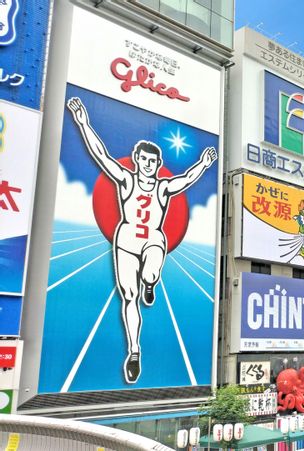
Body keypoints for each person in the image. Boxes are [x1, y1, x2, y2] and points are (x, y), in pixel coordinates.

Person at [66, 97, 217, 383]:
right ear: (137, 160)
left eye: (152, 161)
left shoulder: (162, 187)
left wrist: (204, 164)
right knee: (129, 296)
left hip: (152, 240)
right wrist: (83, 122)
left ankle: (151, 282)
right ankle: (134, 351)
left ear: (158, 164)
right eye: (144, 160)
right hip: (125, 240)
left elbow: (186, 179)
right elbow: (101, 156)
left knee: (151, 270)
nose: (148, 164)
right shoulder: (125, 179)